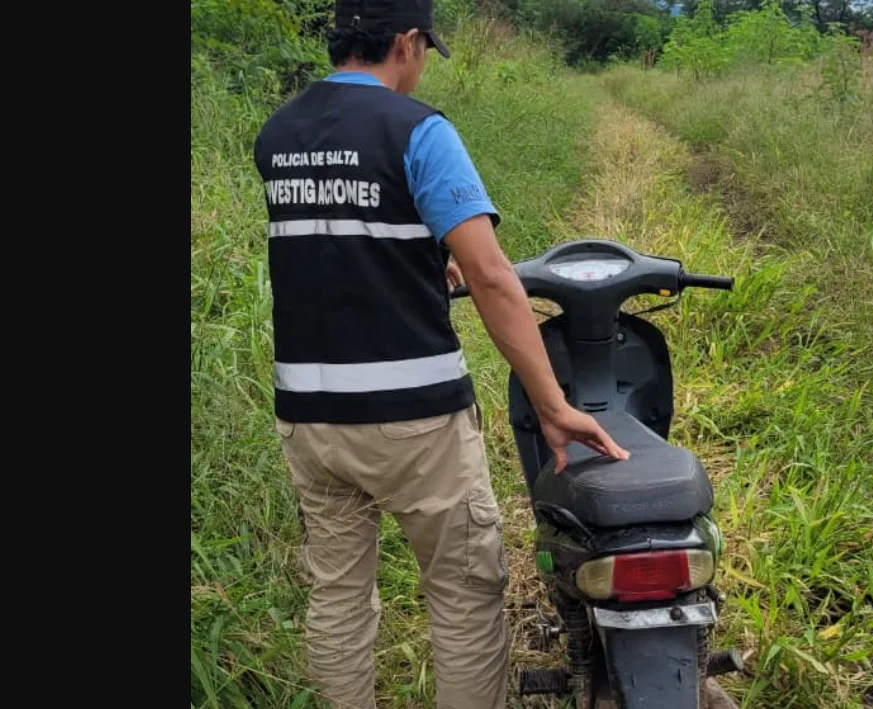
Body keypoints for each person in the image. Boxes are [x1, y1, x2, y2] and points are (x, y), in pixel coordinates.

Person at [251, 2, 629, 707]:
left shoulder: (279, 132)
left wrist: (424, 260)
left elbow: (336, 237)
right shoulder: (417, 128)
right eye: (424, 47)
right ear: (404, 40)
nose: (422, 62)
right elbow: (491, 275)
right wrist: (552, 405)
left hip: (310, 420)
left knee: (336, 594)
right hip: (414, 419)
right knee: (463, 590)